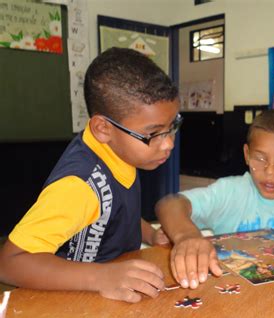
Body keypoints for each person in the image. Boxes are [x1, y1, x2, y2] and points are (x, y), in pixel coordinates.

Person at [0, 47, 181, 303]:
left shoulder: (120, 152)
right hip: (67, 305)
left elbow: (114, 212)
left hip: (107, 297)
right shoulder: (78, 187)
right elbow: (10, 263)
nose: (168, 144)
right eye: (154, 133)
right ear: (103, 129)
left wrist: (150, 234)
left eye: (172, 126)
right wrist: (102, 277)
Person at [156, 109, 274, 290]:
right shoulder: (230, 192)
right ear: (247, 154)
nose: (270, 172)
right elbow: (169, 204)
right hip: (234, 298)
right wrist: (186, 236)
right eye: (260, 158)